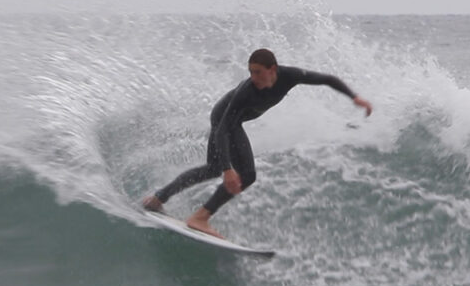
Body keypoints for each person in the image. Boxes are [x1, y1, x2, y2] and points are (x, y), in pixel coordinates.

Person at [142, 48, 373, 238]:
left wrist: (355, 97)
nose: (253, 77)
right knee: (239, 173)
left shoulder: (290, 76)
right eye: (251, 72)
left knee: (215, 170)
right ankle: (199, 217)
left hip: (232, 123)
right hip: (224, 120)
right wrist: (228, 169)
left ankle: (158, 199)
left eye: (258, 72)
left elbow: (326, 79)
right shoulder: (246, 92)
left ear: (273, 70)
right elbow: (223, 129)